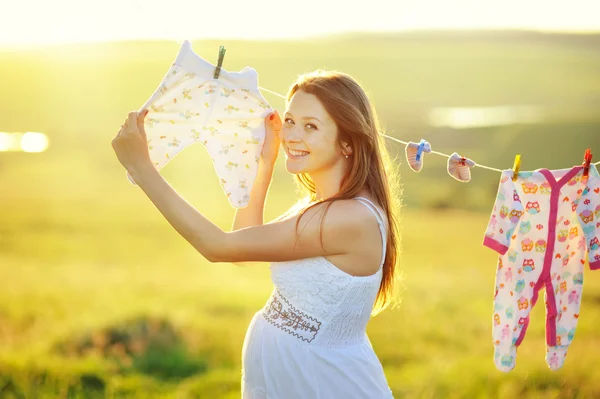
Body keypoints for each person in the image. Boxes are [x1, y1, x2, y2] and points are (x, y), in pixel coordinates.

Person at [112, 70, 402, 398]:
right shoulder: (321, 206)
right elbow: (245, 247)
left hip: (323, 382)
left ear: (348, 141)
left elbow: (219, 247)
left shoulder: (348, 218)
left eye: (311, 126)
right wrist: (266, 163)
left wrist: (142, 168)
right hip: (293, 378)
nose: (292, 135)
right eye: (290, 121)